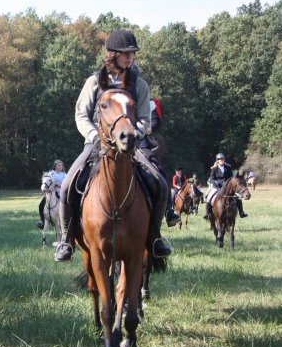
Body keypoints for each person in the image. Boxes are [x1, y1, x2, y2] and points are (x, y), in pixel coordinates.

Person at [54, 30, 180, 262]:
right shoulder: (94, 81)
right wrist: (93, 135)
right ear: (112, 54)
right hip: (96, 143)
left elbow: (144, 118)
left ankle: (154, 236)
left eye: (132, 53)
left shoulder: (139, 84)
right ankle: (66, 239)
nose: (130, 57)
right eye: (125, 53)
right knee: (67, 186)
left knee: (161, 183)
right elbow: (81, 115)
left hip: (131, 145)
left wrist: (133, 135)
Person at [203, 152, 247, 219]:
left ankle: (241, 212)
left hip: (227, 187)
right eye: (220, 159)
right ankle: (207, 213)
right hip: (217, 187)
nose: (222, 160)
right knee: (209, 197)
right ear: (217, 160)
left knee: (238, 198)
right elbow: (211, 179)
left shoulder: (228, 167)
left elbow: (231, 178)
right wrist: (217, 182)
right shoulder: (214, 169)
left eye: (223, 159)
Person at [36, 160, 67, 229]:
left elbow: (66, 183)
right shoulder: (51, 173)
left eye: (61, 165)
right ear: (55, 166)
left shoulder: (64, 175)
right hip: (51, 192)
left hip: (60, 192)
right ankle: (42, 221)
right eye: (59, 165)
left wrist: (60, 186)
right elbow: (46, 181)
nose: (60, 167)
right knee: (41, 205)